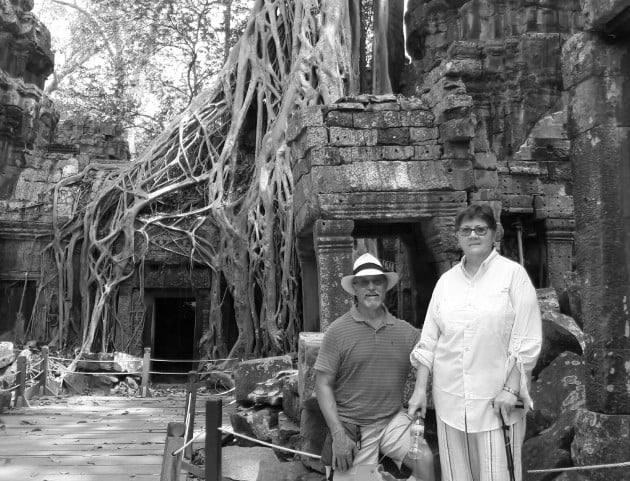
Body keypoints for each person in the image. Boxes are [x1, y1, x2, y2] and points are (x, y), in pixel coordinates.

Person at [407, 204, 542, 481]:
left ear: (494, 234)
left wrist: (511, 389)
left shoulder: (513, 276)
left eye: (481, 229)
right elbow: (429, 340)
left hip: (498, 400)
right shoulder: (446, 282)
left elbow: (526, 337)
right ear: (457, 236)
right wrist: (420, 390)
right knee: (457, 475)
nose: (473, 235)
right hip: (450, 400)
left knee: (500, 475)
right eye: (466, 230)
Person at [315, 253, 435, 481]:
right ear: (355, 289)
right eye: (364, 282)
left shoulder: (404, 331)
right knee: (363, 478)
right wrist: (338, 434)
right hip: (353, 426)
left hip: (392, 420)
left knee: (426, 460)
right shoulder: (337, 331)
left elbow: (428, 351)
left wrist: (420, 389)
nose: (371, 287)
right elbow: (322, 385)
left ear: (385, 287)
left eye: (377, 281)